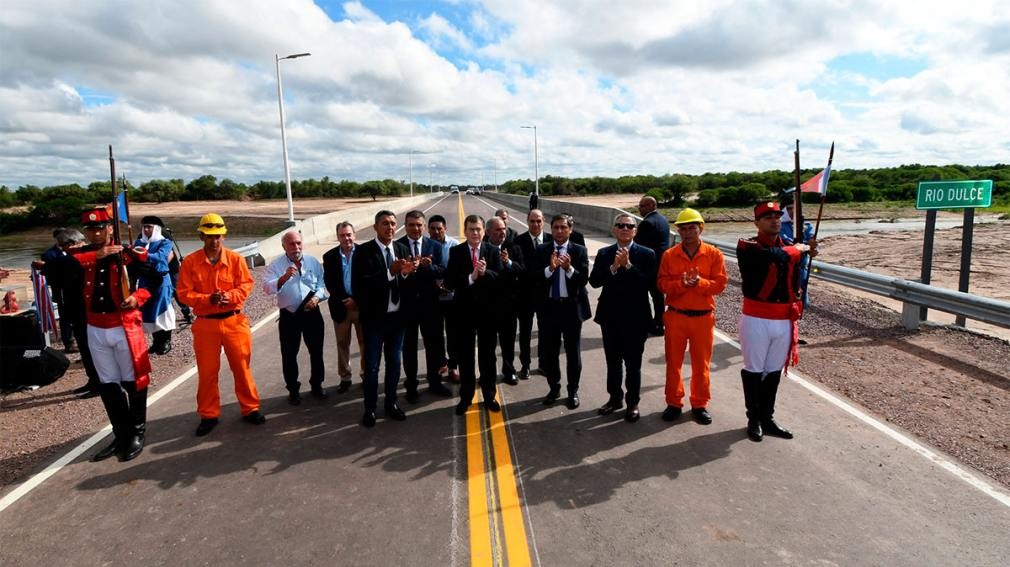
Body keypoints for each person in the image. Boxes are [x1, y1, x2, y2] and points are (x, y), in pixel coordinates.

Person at [73, 206, 153, 462]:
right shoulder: (80, 256)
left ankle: (137, 434)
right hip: (95, 328)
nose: (96, 233)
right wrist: (97, 255)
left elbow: (156, 278)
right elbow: (55, 267)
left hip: (123, 326)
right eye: (91, 230)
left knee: (134, 381)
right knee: (108, 385)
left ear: (110, 228)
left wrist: (137, 297)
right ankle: (120, 434)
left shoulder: (128, 255)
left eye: (100, 228)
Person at [177, 213, 266, 436]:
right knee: (207, 373)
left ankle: (250, 408)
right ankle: (208, 414)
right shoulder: (190, 262)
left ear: (223, 236)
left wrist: (230, 296)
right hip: (206, 325)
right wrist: (207, 299)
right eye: (209, 236)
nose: (214, 240)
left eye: (217, 235)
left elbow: (246, 284)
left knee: (242, 368)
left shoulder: (235, 260)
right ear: (201, 236)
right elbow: (184, 293)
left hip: (234, 321)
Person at [736, 201, 817, 442]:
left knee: (772, 372)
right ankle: (753, 419)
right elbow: (774, 256)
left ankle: (767, 418)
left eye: (777, 216)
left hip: (784, 318)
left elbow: (793, 261)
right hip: (756, 318)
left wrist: (809, 250)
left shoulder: (791, 246)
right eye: (768, 217)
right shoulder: (748, 246)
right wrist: (801, 249)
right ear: (757, 222)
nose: (774, 220)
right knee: (754, 370)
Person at [657, 208, 727, 425]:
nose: (687, 232)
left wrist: (700, 283)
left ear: (701, 228)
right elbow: (661, 284)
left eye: (691, 228)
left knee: (701, 364)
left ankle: (699, 404)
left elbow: (720, 285)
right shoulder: (669, 255)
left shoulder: (714, 254)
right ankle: (673, 402)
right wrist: (680, 284)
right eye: (683, 228)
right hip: (676, 317)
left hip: (703, 318)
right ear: (678, 231)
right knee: (673, 363)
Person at [589, 213, 656, 422]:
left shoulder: (647, 254)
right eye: (620, 225)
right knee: (613, 362)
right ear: (614, 230)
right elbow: (594, 281)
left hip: (636, 319)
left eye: (629, 225)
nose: (625, 228)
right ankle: (614, 398)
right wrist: (614, 267)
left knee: (633, 364)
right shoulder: (604, 253)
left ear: (635, 231)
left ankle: (632, 402)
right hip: (610, 318)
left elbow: (648, 283)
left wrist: (628, 266)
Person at [351, 210, 416, 427]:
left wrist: (406, 273)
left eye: (393, 224)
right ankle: (370, 409)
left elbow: (407, 287)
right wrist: (390, 272)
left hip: (397, 321)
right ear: (375, 227)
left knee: (395, 364)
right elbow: (361, 286)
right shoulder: (363, 252)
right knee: (372, 367)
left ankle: (391, 404)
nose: (390, 228)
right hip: (374, 321)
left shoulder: (402, 249)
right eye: (385, 224)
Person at [445, 215, 503, 415]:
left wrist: (486, 273)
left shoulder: (493, 251)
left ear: (483, 231)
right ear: (465, 231)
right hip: (464, 313)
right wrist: (471, 277)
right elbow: (450, 281)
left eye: (478, 229)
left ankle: (489, 395)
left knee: (488, 357)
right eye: (471, 229)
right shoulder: (456, 252)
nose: (475, 233)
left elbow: (502, 280)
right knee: (465, 357)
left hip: (487, 314)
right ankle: (466, 396)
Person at [263, 230, 328, 404]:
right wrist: (283, 278)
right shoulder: (276, 265)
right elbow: (267, 288)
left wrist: (317, 297)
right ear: (284, 246)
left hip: (311, 313)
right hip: (289, 316)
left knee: (316, 351)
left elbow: (321, 284)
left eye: (298, 243)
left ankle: (317, 384)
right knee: (289, 354)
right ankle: (293, 389)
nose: (296, 247)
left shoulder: (313, 261)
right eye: (291, 244)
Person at [535, 213, 591, 409]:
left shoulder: (580, 250)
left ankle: (572, 390)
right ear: (551, 229)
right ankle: (554, 387)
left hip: (571, 309)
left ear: (570, 229)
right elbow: (535, 278)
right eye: (556, 227)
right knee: (550, 353)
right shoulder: (542, 250)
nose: (559, 231)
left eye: (563, 227)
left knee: (573, 353)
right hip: (549, 308)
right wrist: (550, 269)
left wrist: (568, 269)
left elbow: (583, 280)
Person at [396, 210, 452, 401]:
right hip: (407, 306)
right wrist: (406, 271)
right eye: (411, 225)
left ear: (424, 226)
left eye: (419, 225)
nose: (416, 228)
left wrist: (429, 267)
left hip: (430, 305)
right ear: (406, 226)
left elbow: (442, 271)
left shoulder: (434, 245)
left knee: (433, 346)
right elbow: (395, 275)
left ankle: (435, 381)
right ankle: (411, 386)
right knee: (409, 348)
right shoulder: (398, 246)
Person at [322, 222, 365, 394]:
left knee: (365, 343)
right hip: (341, 308)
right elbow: (330, 283)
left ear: (354, 235)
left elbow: (368, 279)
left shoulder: (365, 253)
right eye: (342, 235)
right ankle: (345, 377)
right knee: (342, 343)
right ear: (337, 237)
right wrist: (345, 299)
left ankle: (366, 375)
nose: (346, 238)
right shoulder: (329, 257)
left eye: (349, 234)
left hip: (361, 307)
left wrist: (357, 300)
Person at [486, 216, 525, 386]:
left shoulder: (514, 248)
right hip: (487, 305)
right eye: (498, 230)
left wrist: (508, 262)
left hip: (509, 305)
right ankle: (488, 373)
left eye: (504, 229)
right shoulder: (482, 249)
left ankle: (509, 371)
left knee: (508, 342)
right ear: (488, 232)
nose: (502, 233)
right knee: (488, 344)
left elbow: (522, 271)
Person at [133, 216, 177, 355]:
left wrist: (144, 255)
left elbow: (161, 257)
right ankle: (156, 342)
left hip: (161, 281)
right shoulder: (139, 242)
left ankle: (166, 341)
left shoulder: (165, 242)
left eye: (149, 227)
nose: (146, 230)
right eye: (144, 227)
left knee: (162, 310)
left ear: (156, 228)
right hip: (145, 281)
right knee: (149, 312)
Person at [513, 209, 545, 380]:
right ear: (527, 221)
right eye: (532, 221)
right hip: (525, 295)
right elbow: (520, 268)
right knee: (525, 332)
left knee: (545, 331)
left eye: (538, 221)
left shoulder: (550, 239)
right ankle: (525, 365)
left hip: (546, 296)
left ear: (543, 221)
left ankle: (542, 363)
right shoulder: (518, 241)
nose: (535, 224)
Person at [427, 214, 459, 384]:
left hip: (452, 297)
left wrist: (449, 285)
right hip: (433, 299)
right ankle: (440, 365)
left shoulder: (454, 245)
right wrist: (435, 287)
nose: (436, 231)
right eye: (432, 228)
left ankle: (453, 367)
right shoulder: (426, 246)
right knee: (435, 336)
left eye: (439, 228)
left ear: (445, 229)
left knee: (453, 334)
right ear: (428, 229)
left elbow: (458, 270)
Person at [634, 195, 671, 336]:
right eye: (639, 206)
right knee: (658, 296)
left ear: (651, 206)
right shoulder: (663, 220)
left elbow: (637, 245)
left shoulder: (647, 223)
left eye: (642, 206)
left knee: (643, 296)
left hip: (649, 266)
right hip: (661, 264)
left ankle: (650, 323)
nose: (639, 208)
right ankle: (659, 323)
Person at [780, 195, 816, 310]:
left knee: (801, 296)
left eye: (795, 208)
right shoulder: (778, 225)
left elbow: (812, 242)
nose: (792, 211)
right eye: (789, 208)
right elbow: (787, 243)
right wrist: (806, 246)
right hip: (783, 269)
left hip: (801, 269)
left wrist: (813, 247)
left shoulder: (807, 226)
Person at [162, 224, 193, 325]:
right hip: (163, 270)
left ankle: (187, 314)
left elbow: (169, 254)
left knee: (177, 292)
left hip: (172, 269)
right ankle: (163, 317)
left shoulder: (164, 235)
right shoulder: (145, 237)